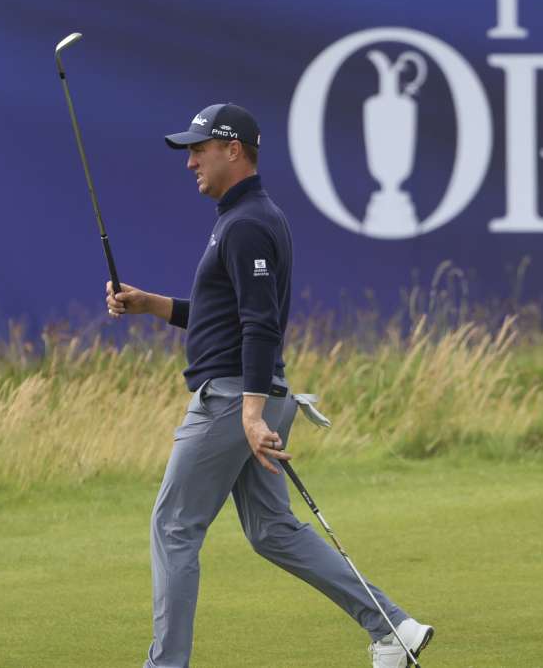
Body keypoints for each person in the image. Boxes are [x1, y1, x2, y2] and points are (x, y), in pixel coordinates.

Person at [104, 103, 434, 668]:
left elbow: (260, 324)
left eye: (199, 150)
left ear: (233, 150)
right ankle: (392, 628)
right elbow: (225, 315)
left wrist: (251, 414)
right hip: (258, 392)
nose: (190, 163)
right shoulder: (244, 218)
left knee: (174, 526)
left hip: (235, 399)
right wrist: (150, 305)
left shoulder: (246, 224)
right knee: (273, 531)